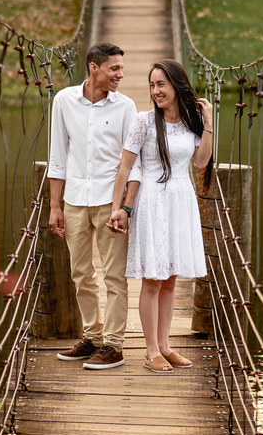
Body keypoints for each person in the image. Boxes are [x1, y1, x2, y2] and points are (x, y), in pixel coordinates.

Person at [107, 60, 213, 373]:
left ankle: (165, 346)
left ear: (176, 85)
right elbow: (125, 167)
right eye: (152, 85)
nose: (156, 91)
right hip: (152, 201)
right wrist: (118, 208)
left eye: (161, 84)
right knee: (152, 280)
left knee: (170, 280)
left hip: (181, 201)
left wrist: (208, 120)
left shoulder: (190, 124)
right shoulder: (143, 122)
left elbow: (201, 161)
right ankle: (150, 350)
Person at [48, 42, 142, 370]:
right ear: (94, 68)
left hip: (109, 203)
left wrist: (125, 207)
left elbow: (133, 164)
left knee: (114, 277)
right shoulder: (63, 101)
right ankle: (91, 337)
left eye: (121, 68)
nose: (121, 74)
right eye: (114, 68)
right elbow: (57, 158)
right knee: (81, 274)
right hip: (74, 200)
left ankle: (114, 346)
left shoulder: (126, 107)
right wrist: (54, 206)